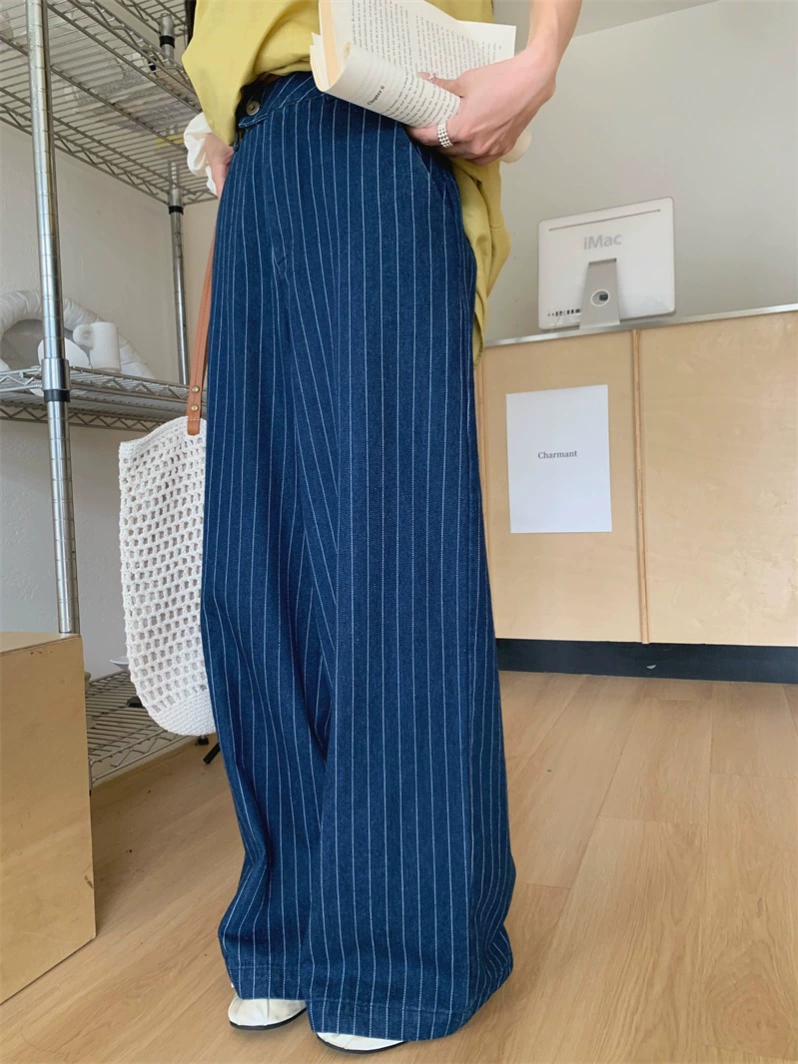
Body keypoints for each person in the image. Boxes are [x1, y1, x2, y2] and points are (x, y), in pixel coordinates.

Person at [182, 0, 580, 1053]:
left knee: (390, 554)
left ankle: (403, 945)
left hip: (386, 117)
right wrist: (217, 125)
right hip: (257, 150)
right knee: (255, 564)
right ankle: (287, 925)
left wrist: (541, 58)